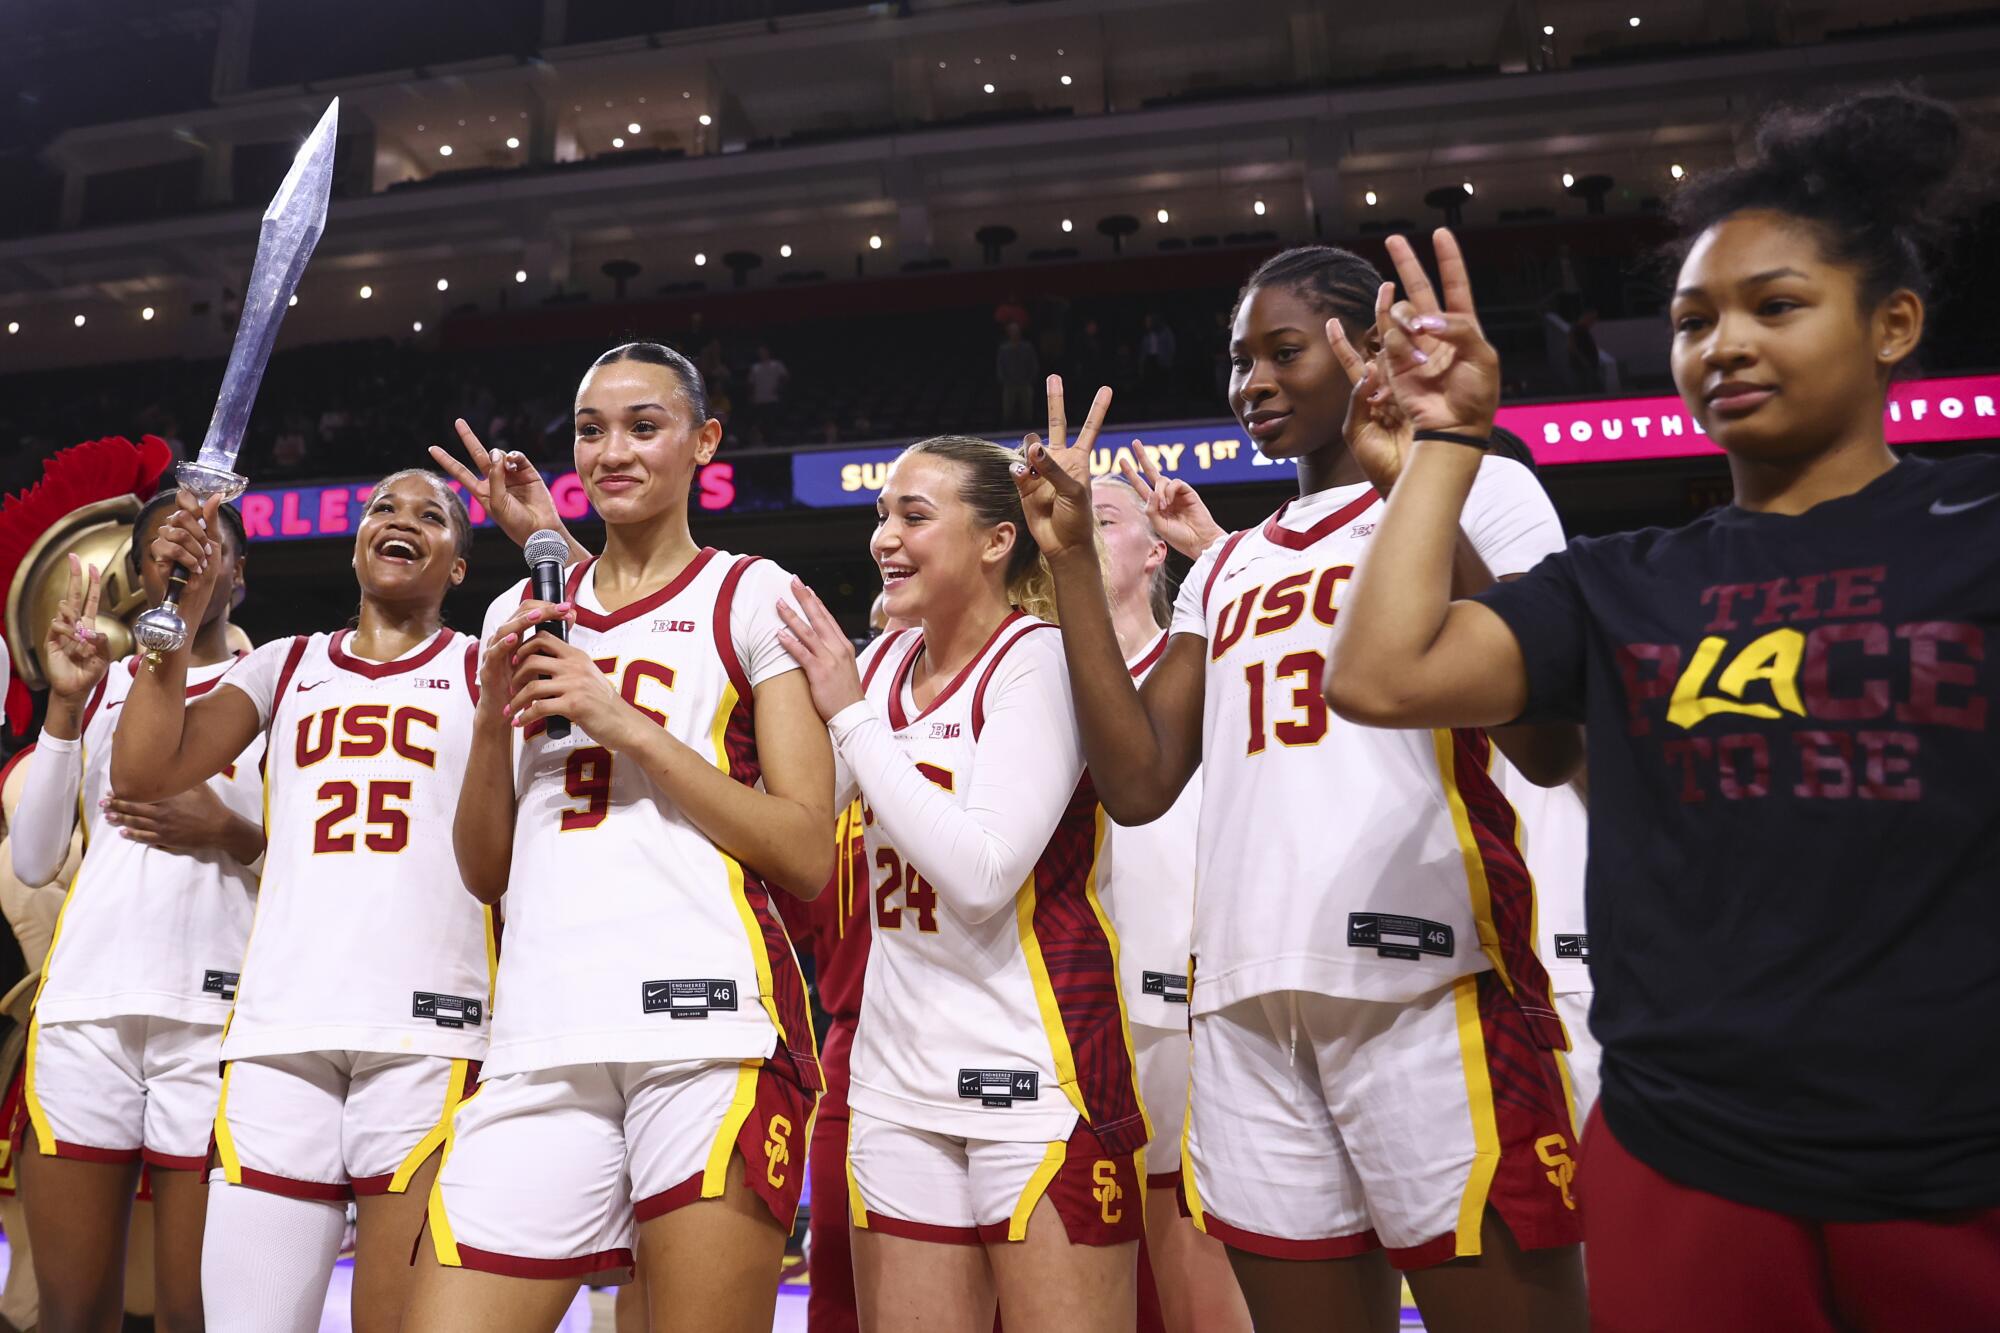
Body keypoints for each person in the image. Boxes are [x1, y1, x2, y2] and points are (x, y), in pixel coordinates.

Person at [1320, 91, 2000, 1332]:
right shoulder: (1625, 581)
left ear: (1891, 324)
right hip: (1686, 1150)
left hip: (1956, 1155)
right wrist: (1447, 442)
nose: (1720, 346)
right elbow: (1380, 675)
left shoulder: (1975, 529)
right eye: (1692, 322)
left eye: (1773, 307)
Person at [1014, 245, 1589, 1333]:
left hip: (1431, 982)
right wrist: (1076, 566)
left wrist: (1410, 476)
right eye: (1238, 363)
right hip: (1239, 1004)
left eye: (1282, 353)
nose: (1252, 386)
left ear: (1365, 353)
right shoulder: (1227, 565)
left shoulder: (1483, 483)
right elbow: (1135, 782)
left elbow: (1541, 728)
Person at [406, 341, 832, 1333]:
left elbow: (805, 847)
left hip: (709, 1034)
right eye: (591, 430)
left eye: (644, 425)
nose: (612, 450)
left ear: (702, 441)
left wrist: (621, 720)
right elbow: (483, 868)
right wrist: (485, 716)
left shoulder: (751, 593)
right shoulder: (522, 606)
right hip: (539, 1038)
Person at [774, 414, 1150, 1333]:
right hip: (895, 1083)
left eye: (913, 516)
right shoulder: (886, 659)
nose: (884, 539)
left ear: (994, 541)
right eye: (880, 515)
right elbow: (793, 826)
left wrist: (852, 718)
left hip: (1037, 1075)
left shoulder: (1040, 660)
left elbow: (982, 873)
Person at [111, 469, 493, 1333]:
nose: (400, 521)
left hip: (427, 1030)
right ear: (356, 541)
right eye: (382, 509)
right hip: (280, 1031)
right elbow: (141, 771)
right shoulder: (286, 663)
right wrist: (180, 611)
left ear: (460, 567)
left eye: (430, 515)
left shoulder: (481, 666)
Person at [9, 494, 263, 1333]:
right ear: (143, 570)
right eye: (164, 546)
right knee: (74, 1313)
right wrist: (62, 708)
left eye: (206, 543)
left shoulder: (281, 685)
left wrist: (230, 831)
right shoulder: (103, 680)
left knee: (197, 1314)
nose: (184, 557)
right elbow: (34, 857)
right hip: (85, 1014)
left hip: (216, 1026)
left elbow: (320, 866)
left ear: (238, 571)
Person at [1086, 470, 1250, 1333]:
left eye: (1104, 517)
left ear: (1156, 551)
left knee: (1193, 1256)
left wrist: (1218, 548)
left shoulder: (1207, 663)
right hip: (1064, 1003)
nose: (1078, 528)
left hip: (1182, 1002)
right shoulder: (1030, 665)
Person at [996, 323, 1040, 429]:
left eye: (1016, 331)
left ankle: (1028, 431)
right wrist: (1004, 380)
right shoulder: (1004, 348)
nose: (1014, 333)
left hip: (1025, 383)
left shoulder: (1027, 347)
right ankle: (1007, 431)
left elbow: (1033, 363)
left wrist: (1030, 378)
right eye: (1012, 331)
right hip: (1009, 384)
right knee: (1008, 411)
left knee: (1027, 410)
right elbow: (1000, 365)